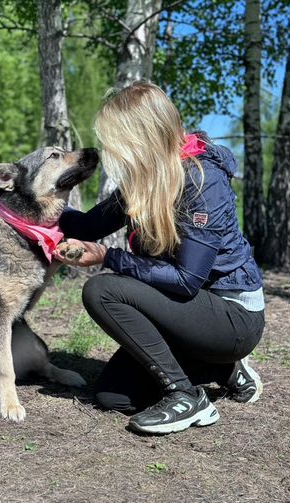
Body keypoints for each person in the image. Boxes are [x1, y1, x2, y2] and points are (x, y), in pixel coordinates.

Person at [53, 81, 265, 435]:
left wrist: (108, 256)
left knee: (102, 290)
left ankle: (187, 396)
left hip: (232, 318)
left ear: (143, 137)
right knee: (113, 396)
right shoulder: (146, 178)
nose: (111, 151)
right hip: (189, 314)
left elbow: (186, 280)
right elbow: (90, 224)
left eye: (116, 141)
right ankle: (224, 369)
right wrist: (27, 207)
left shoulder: (202, 181)